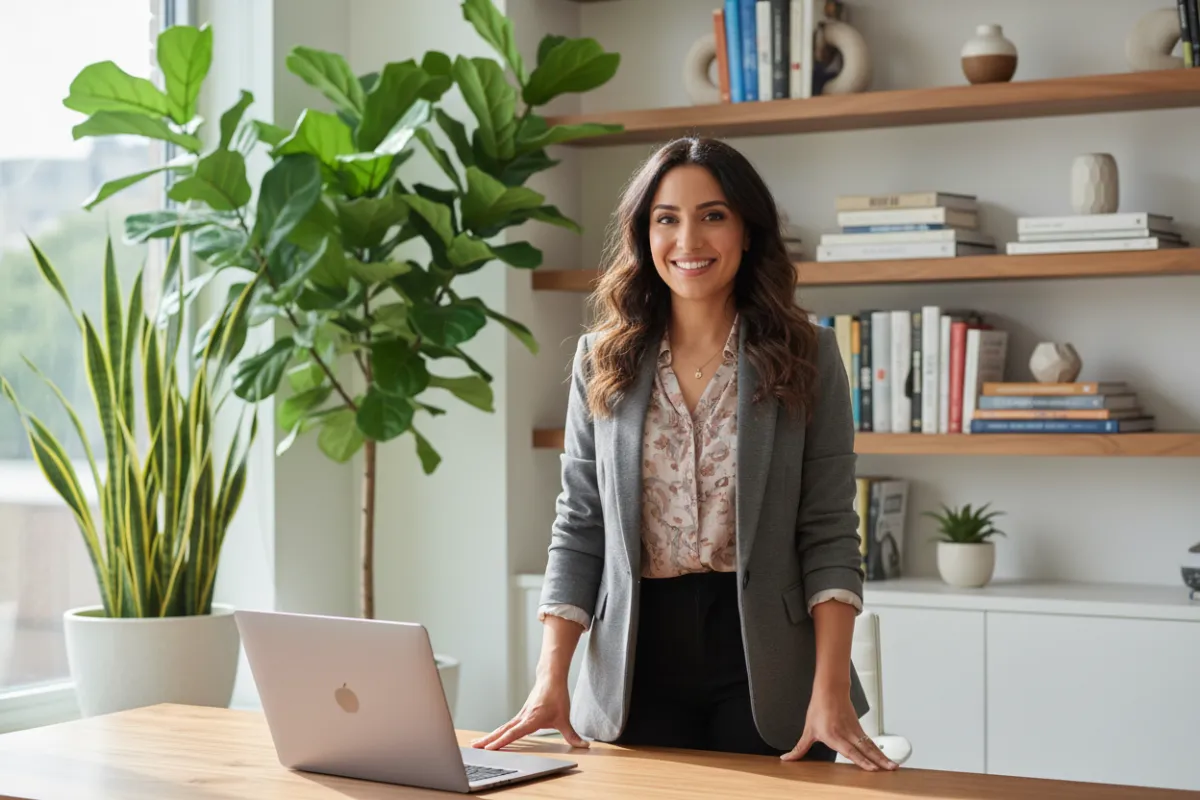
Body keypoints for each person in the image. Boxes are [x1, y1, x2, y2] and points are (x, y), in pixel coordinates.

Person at [472, 137, 897, 772]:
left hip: (766, 667)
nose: (688, 240)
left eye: (713, 215)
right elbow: (580, 524)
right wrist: (550, 677)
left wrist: (829, 689)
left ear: (748, 231)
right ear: (644, 235)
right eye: (666, 219)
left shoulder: (810, 355)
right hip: (635, 663)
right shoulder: (601, 359)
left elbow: (830, 532)